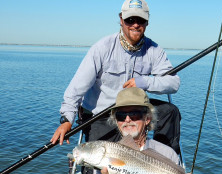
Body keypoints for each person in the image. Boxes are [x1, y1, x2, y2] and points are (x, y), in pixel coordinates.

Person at [50, 0, 181, 157]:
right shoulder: (102, 48)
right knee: (99, 165)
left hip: (135, 110)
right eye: (130, 20)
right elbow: (76, 89)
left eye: (140, 20)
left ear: (147, 22)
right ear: (121, 20)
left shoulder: (154, 50)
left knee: (170, 112)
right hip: (103, 114)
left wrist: (144, 82)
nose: (135, 25)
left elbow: (173, 83)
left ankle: (166, 164)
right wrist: (66, 120)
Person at [94, 87, 200, 174]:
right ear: (116, 121)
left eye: (135, 114)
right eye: (121, 116)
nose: (127, 120)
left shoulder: (167, 153)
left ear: (147, 119)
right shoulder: (105, 154)